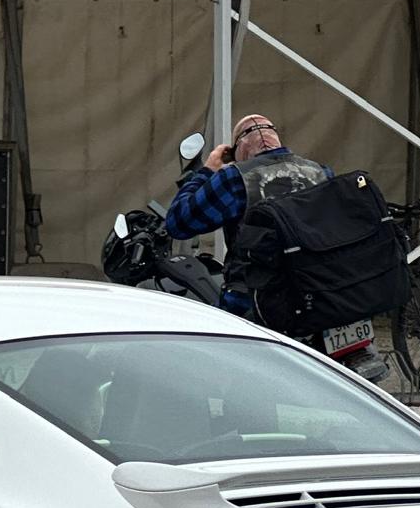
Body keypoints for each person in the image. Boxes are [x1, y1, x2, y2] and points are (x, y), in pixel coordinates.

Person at [164, 113, 387, 380]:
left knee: (222, 374)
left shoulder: (235, 178)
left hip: (257, 298)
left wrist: (207, 171)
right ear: (276, 139)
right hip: (324, 290)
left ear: (239, 149)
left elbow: (179, 222)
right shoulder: (320, 172)